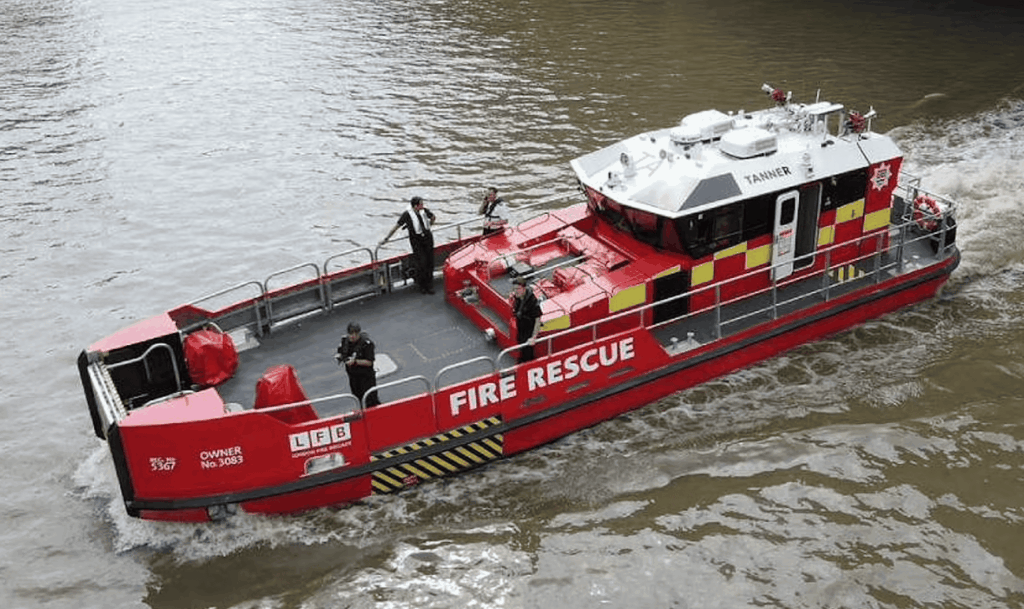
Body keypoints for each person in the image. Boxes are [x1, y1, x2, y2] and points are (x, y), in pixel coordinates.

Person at [381, 196, 436, 294]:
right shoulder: (407, 215)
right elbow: (396, 227)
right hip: (417, 241)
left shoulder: (425, 211)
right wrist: (386, 238)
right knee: (421, 263)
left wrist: (429, 225)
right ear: (415, 206)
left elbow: (433, 217)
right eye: (420, 204)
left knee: (429, 262)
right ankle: (422, 285)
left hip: (427, 239)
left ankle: (429, 285)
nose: (422, 206)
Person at [335, 321, 380, 407]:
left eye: (355, 334)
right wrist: (340, 357)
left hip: (366, 377)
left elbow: (369, 362)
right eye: (351, 334)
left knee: (371, 400)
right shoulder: (345, 342)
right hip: (353, 377)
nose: (353, 336)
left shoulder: (366, 344)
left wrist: (355, 362)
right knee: (358, 399)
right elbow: (341, 353)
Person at [510, 276, 542, 363]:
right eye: (514, 289)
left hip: (529, 331)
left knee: (528, 353)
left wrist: (533, 337)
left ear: (524, 288)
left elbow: (537, 320)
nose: (516, 291)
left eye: (518, 288)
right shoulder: (518, 298)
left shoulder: (532, 301)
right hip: (521, 330)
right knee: (522, 348)